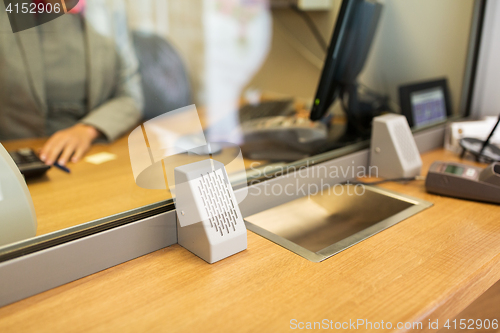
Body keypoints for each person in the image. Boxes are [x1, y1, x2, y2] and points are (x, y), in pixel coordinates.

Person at [0, 0, 143, 166]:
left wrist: (88, 130)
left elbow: (130, 97)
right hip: (18, 158)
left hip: (88, 155)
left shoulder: (110, 8)